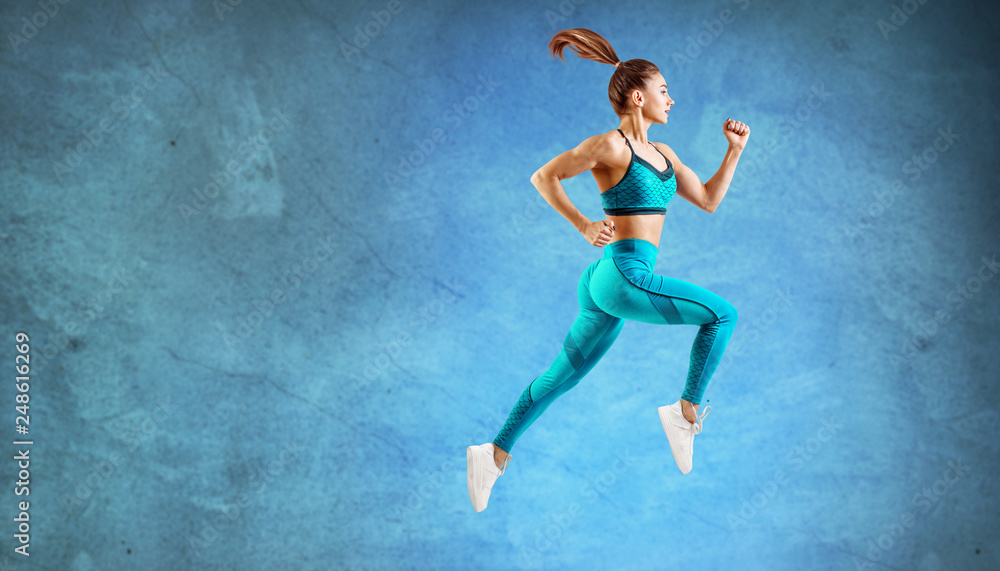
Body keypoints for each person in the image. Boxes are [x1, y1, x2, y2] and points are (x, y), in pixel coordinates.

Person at [467, 28, 750, 512]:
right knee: (722, 315)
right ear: (639, 97)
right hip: (623, 275)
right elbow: (545, 176)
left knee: (563, 376)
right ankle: (685, 411)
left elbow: (707, 199)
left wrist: (734, 151)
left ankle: (491, 454)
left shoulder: (665, 155)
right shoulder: (611, 147)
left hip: (607, 283)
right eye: (664, 91)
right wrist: (581, 223)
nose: (672, 100)